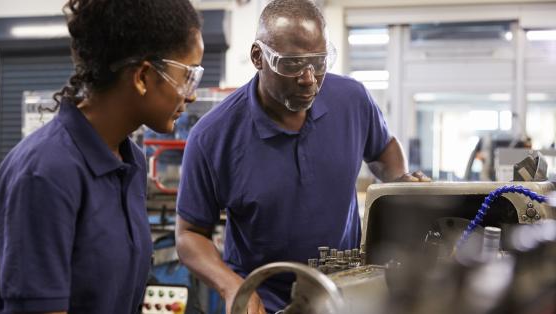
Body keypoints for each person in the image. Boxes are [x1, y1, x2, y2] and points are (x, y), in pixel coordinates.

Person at [175, 1, 429, 313]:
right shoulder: (212, 137)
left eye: (319, 62)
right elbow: (189, 235)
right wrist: (233, 286)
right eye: (293, 64)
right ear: (258, 57)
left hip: (345, 293)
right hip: (265, 301)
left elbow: (384, 148)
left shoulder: (352, 100)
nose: (309, 79)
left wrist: (399, 182)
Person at [0, 0, 203, 313]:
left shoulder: (130, 160)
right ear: (143, 77)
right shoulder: (45, 173)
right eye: (188, 76)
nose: (192, 95)